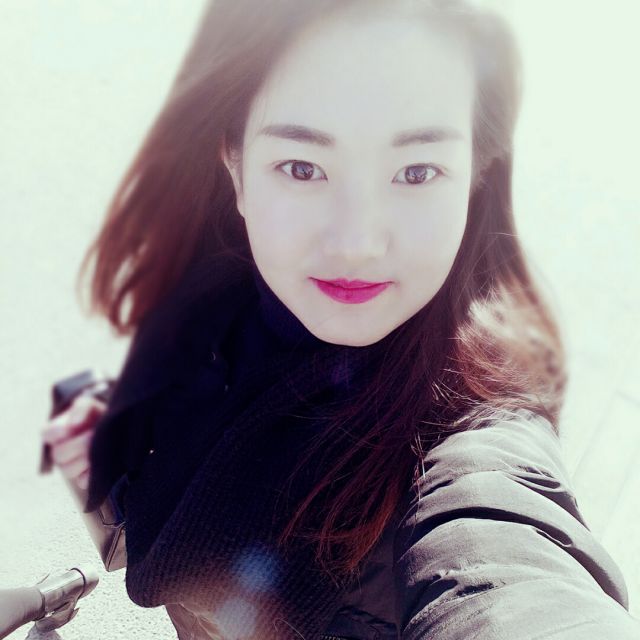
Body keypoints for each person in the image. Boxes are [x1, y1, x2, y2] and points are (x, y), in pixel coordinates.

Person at [40, 0, 640, 638]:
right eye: (302, 168)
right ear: (236, 167)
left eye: (416, 171)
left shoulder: (473, 435)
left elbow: (507, 571)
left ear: (474, 175)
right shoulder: (209, 292)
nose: (357, 244)